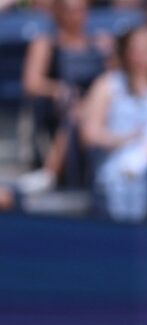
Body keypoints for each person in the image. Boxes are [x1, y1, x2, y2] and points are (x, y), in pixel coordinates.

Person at [80, 27, 147, 222]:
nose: (144, 54)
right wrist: (124, 139)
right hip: (118, 167)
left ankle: (141, 158)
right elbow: (90, 134)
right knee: (126, 174)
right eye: (138, 49)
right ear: (126, 53)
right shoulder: (107, 85)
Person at [20, 0, 110, 192]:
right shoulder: (46, 43)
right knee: (75, 113)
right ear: (58, 13)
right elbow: (32, 83)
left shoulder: (100, 42)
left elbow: (114, 79)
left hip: (100, 108)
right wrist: (59, 89)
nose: (75, 16)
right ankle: (50, 173)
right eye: (69, 11)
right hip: (61, 109)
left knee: (85, 111)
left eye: (80, 10)